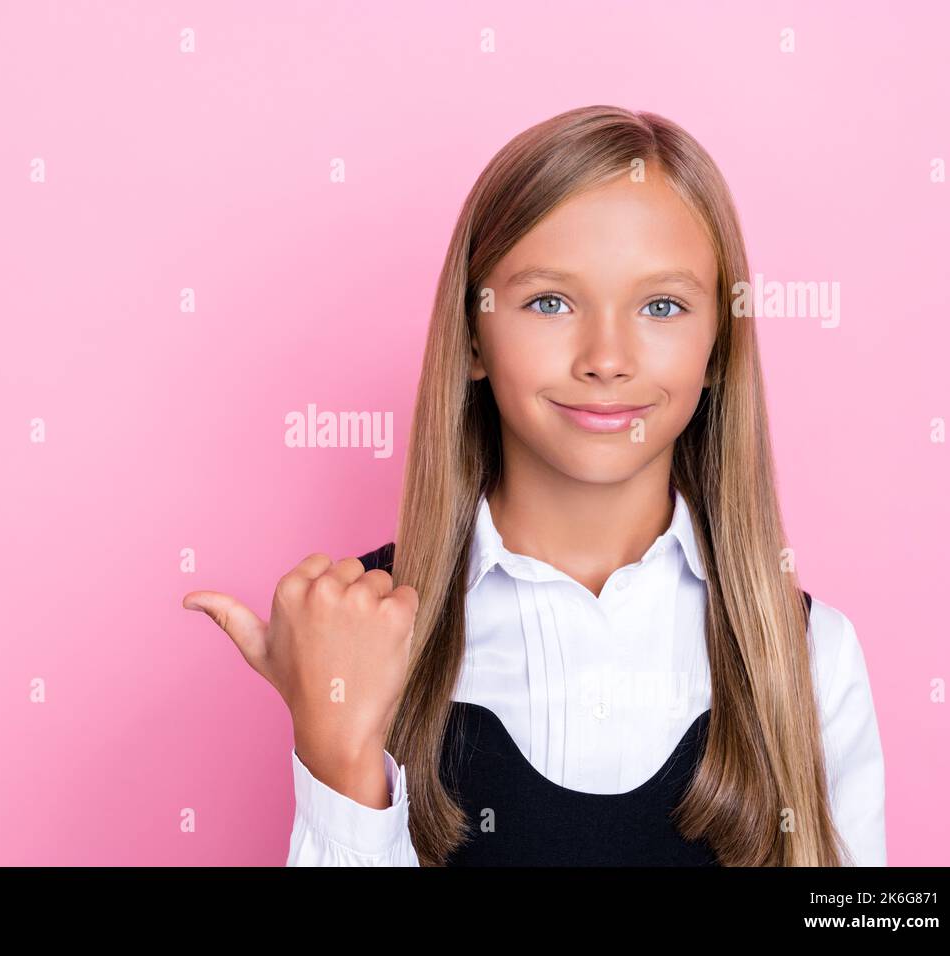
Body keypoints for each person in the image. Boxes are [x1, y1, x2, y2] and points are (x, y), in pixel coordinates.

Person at [183, 105, 886, 867]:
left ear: (718, 348)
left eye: (662, 306)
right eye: (550, 302)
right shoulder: (364, 638)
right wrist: (340, 749)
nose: (607, 358)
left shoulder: (809, 656)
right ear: (474, 336)